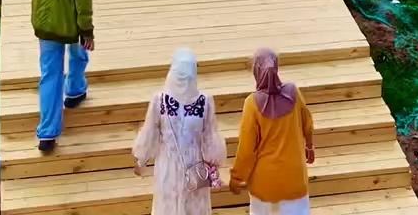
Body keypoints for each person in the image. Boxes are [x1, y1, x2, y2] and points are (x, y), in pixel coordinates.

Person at [133, 48, 226, 215]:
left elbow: (149, 134)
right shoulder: (205, 102)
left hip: (168, 168)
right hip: (195, 168)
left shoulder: (159, 101)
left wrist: (141, 160)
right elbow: (211, 140)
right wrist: (214, 165)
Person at [31, 0, 93, 153]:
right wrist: (87, 31)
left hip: (45, 25)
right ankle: (75, 90)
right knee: (79, 55)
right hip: (71, 26)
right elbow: (83, 1)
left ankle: (47, 133)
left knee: (50, 75)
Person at [229, 48, 314, 214]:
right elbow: (307, 123)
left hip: (264, 185)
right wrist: (309, 145)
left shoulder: (252, 104)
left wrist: (236, 178)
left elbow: (246, 150)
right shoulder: (293, 92)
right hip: (294, 180)